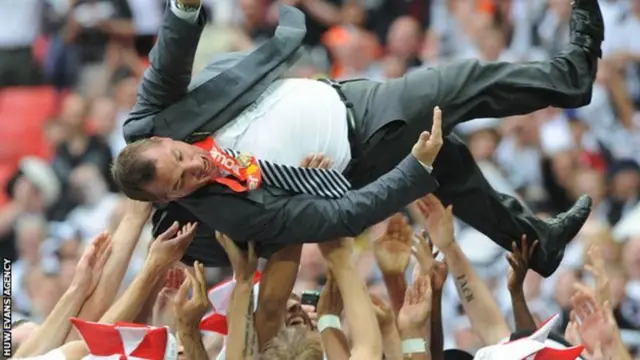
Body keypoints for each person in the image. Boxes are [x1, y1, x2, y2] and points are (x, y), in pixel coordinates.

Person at [111, 0, 603, 277]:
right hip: (366, 138)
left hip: (347, 96)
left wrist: (184, 7)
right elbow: (338, 217)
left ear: (162, 139)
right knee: (459, 84)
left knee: (453, 169)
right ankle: (571, 76)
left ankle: (536, 245)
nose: (193, 167)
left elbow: (169, 61)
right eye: (181, 182)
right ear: (168, 199)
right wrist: (414, 170)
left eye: (180, 155)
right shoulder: (226, 212)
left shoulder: (149, 120)